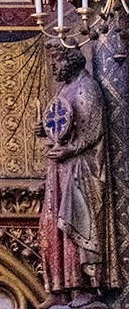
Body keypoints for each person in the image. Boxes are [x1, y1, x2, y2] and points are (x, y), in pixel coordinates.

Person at [38, 44, 119, 303]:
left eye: (57, 60)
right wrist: (45, 131)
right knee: (51, 225)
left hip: (80, 170)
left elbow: (94, 132)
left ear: (71, 59)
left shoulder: (87, 88)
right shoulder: (64, 88)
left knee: (75, 225)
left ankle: (83, 287)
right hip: (60, 170)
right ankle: (60, 289)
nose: (53, 67)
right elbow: (62, 123)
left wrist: (69, 149)